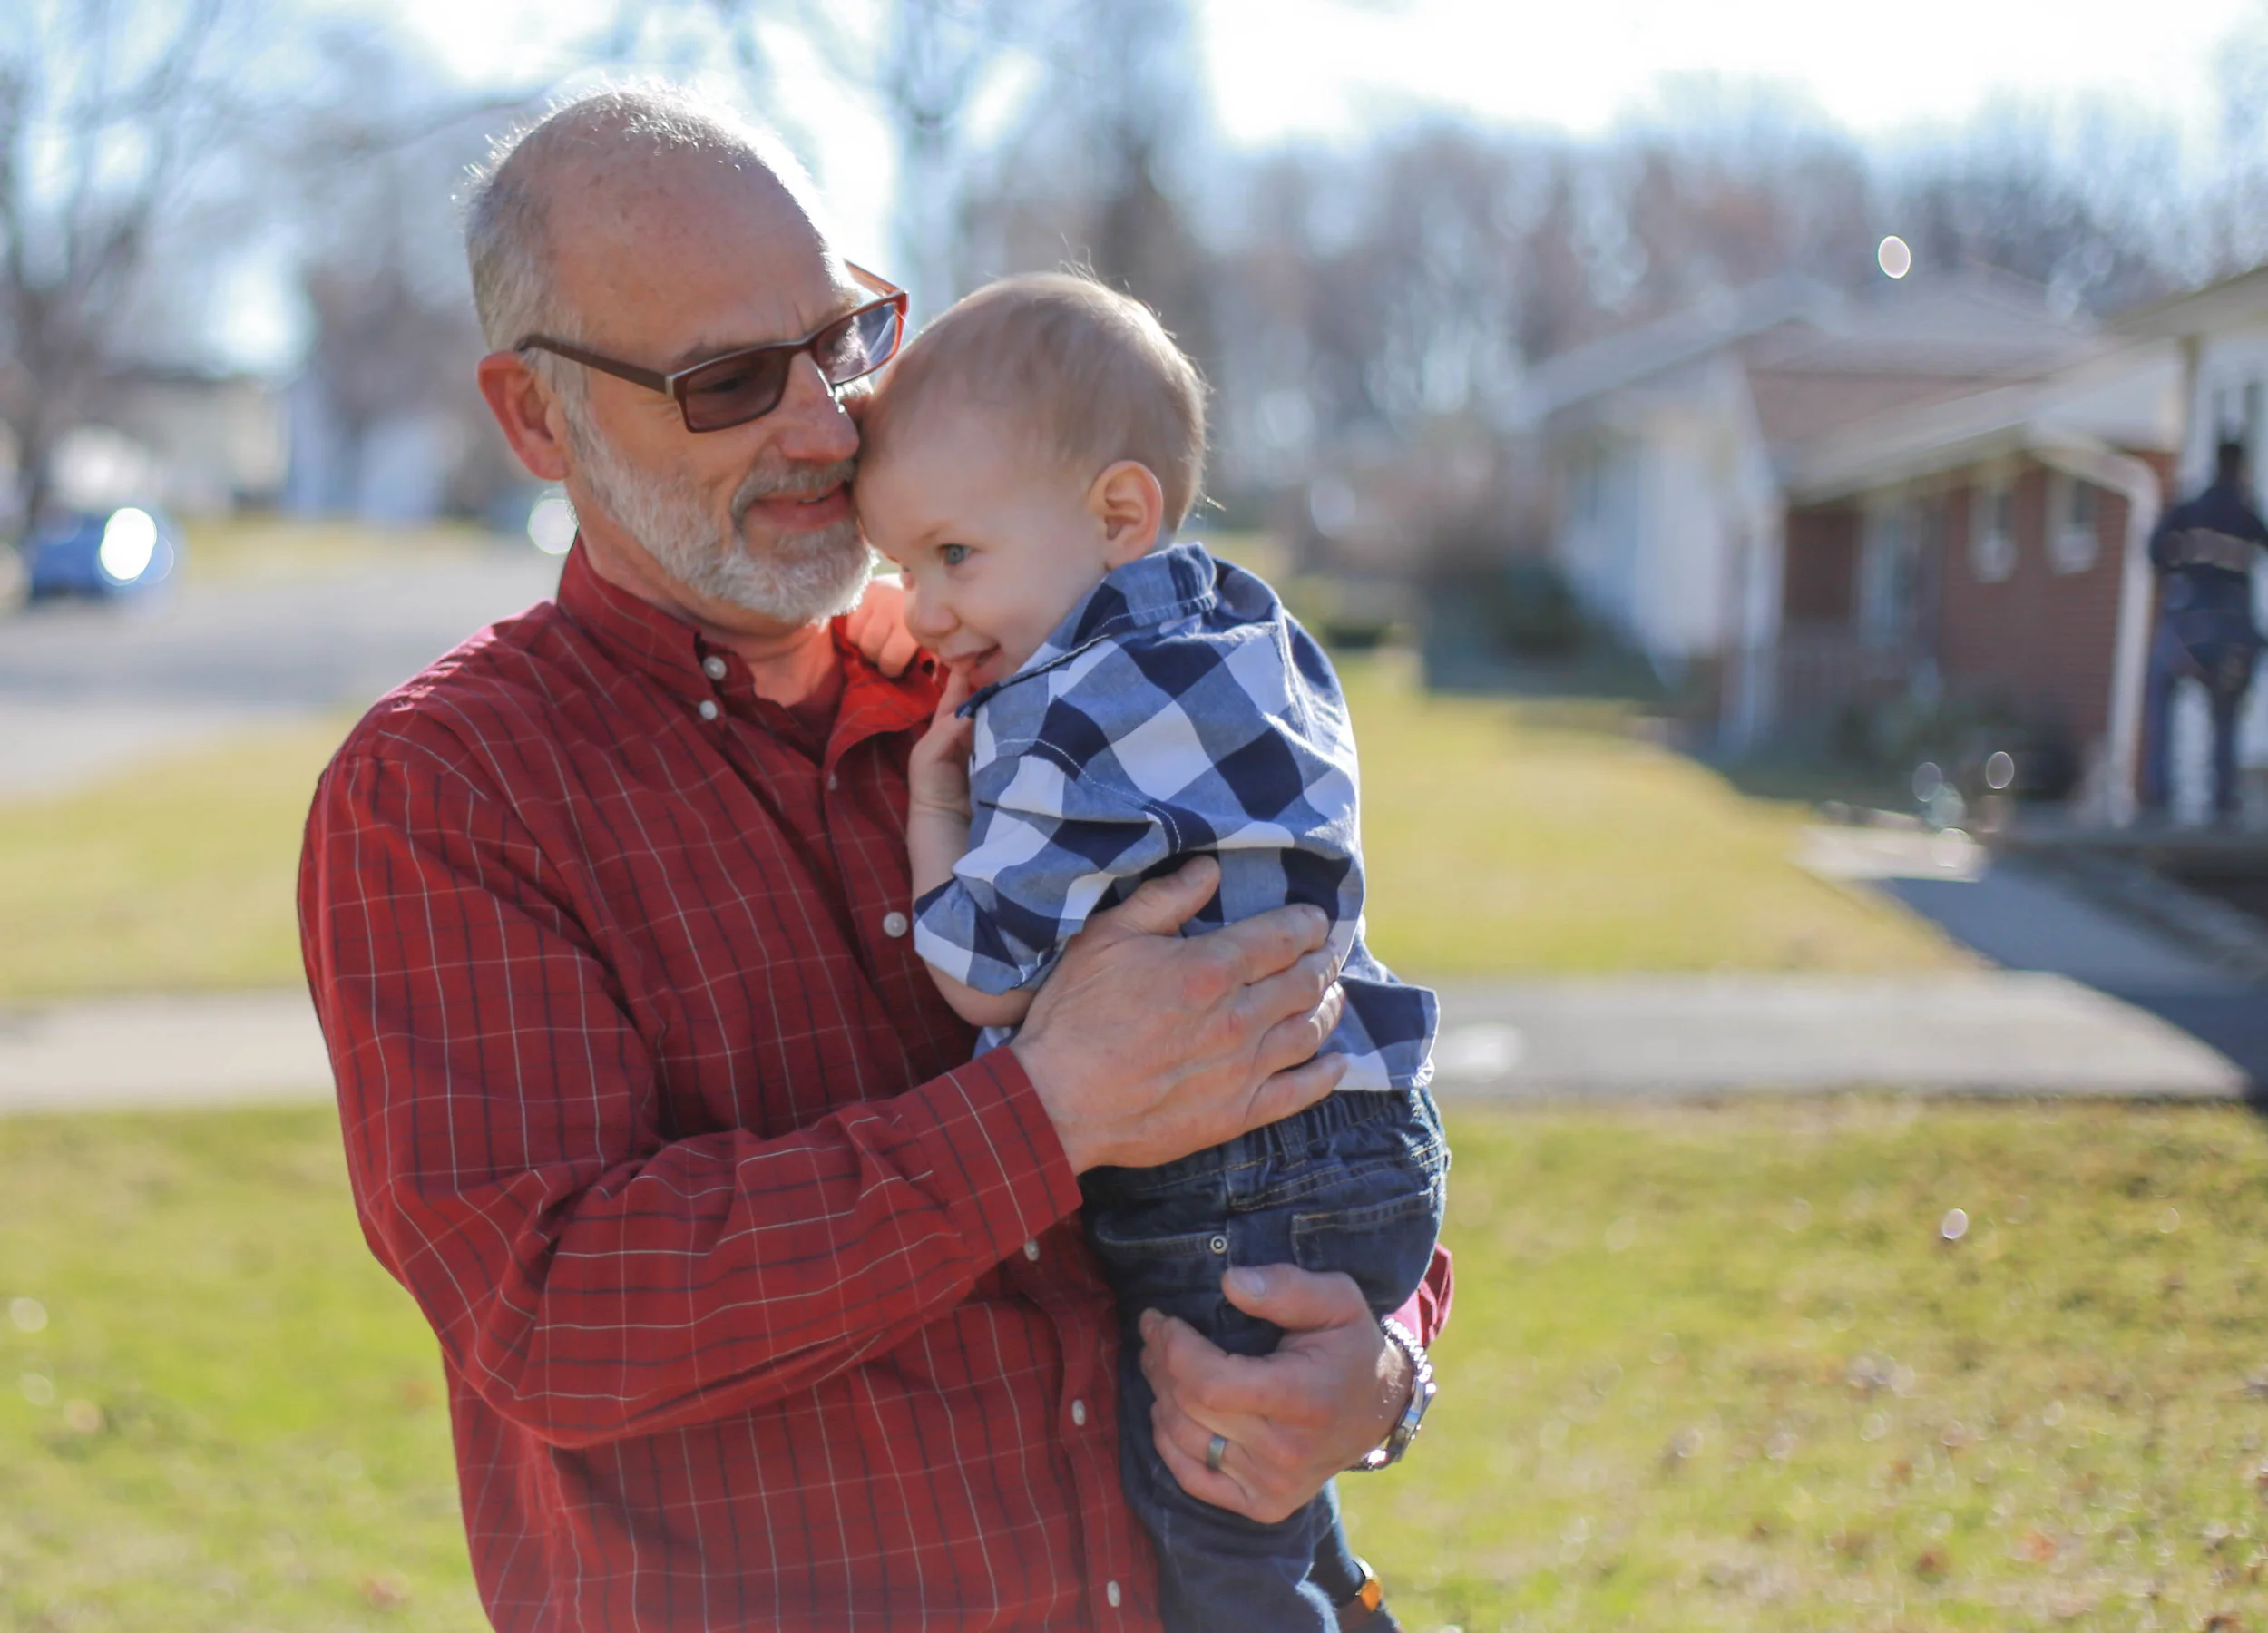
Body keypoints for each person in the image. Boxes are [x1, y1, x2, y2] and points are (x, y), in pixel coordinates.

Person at [296, 84, 1450, 1633]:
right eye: (729, 380)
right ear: (533, 417)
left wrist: (1377, 1365)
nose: (828, 424)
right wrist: (1042, 1114)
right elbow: (559, 1313)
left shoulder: (1011, 664)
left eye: (844, 338)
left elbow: (1311, 1018)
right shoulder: (447, 792)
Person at [855, 274, 1445, 1632]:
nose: (925, 613)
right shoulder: (1253, 633)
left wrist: (938, 807)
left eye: (952, 557)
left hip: (1232, 1185)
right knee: (1259, 1484)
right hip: (1367, 1140)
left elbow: (979, 974)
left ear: (1118, 515)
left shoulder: (1062, 708)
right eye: (898, 568)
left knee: (1211, 1537)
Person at [2143, 438, 2268, 820]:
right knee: (2226, 709)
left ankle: (2157, 792)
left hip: (2187, 626)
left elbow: (2152, 551)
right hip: (2233, 632)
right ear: (2241, 468)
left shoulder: (2190, 509)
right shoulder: (2247, 517)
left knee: (2161, 691)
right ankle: (2223, 798)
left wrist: (2178, 574)